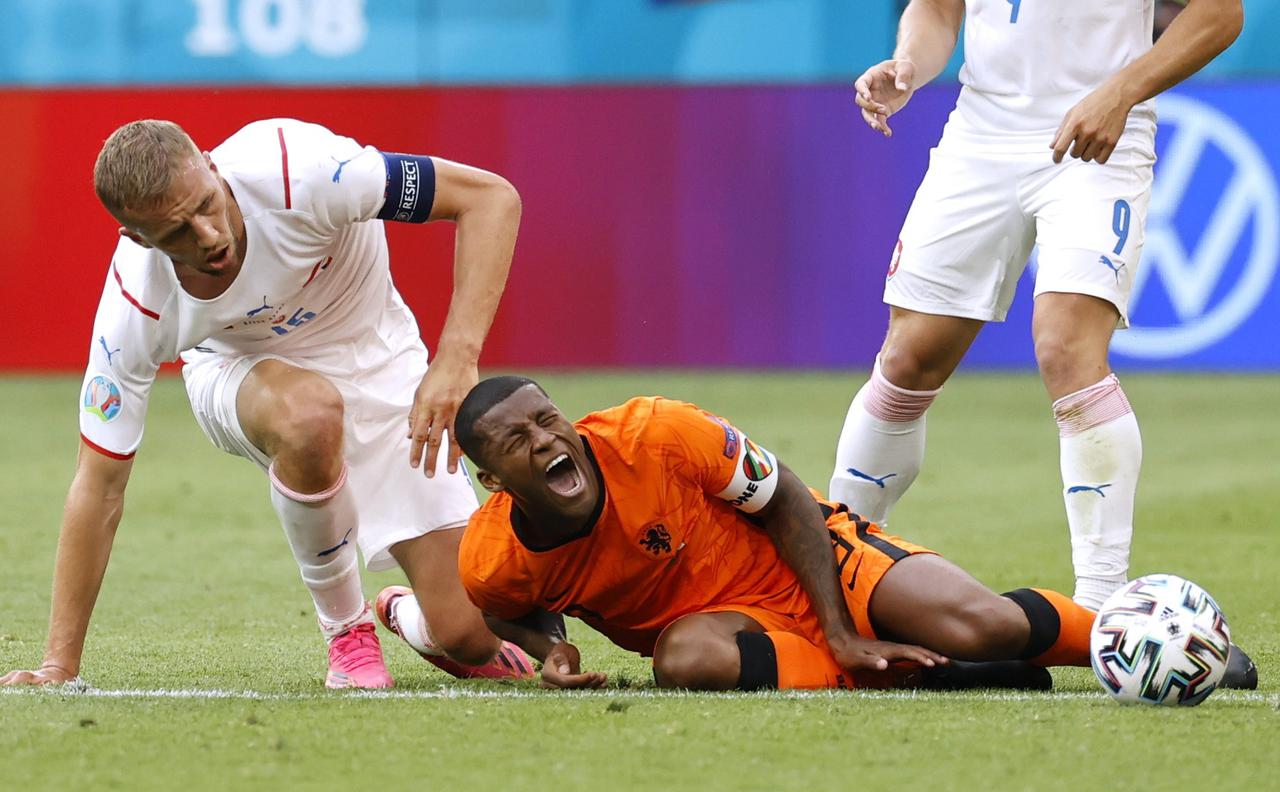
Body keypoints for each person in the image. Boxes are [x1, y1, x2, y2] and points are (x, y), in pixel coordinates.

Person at [0, 118, 534, 690]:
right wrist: (58, 666)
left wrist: (455, 358)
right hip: (236, 370)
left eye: (207, 204)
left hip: (378, 356)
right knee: (307, 415)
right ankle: (346, 630)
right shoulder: (136, 304)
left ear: (211, 164)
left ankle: (403, 612)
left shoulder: (305, 173)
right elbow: (98, 485)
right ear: (137, 238)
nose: (207, 236)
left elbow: (490, 198)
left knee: (469, 634)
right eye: (176, 232)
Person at [830, 0, 1244, 608]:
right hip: (979, 136)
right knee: (907, 361)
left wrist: (1122, 91)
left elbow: (1220, 14)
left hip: (1100, 132)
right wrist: (909, 64)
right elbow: (939, 9)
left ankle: (1100, 608)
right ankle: (832, 575)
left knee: (1066, 351)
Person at [446, 375, 1123, 692]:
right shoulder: (491, 556)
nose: (545, 440)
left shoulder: (657, 433)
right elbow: (507, 608)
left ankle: (1121, 640)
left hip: (814, 560)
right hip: (727, 631)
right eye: (517, 440)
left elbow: (787, 498)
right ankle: (928, 674)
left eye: (547, 418)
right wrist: (552, 649)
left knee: (986, 624)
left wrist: (838, 628)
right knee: (680, 662)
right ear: (492, 479)